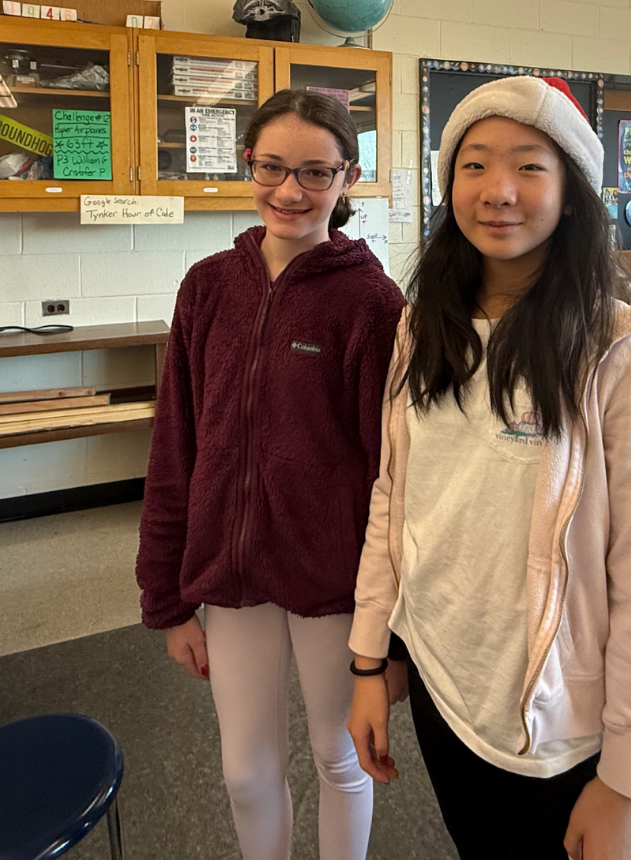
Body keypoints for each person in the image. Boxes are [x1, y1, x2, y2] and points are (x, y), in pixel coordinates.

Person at [346, 76, 631, 860]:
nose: (498, 191)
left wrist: (629, 777)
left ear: (571, 191)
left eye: (530, 166)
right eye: (474, 166)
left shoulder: (615, 351)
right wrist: (371, 658)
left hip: (555, 718)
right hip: (440, 679)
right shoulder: (420, 328)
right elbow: (394, 498)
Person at [136, 89, 405, 860]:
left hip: (332, 582)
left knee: (340, 756)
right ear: (248, 164)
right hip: (228, 572)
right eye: (273, 167)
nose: (290, 191)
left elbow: (394, 476)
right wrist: (167, 598)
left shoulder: (371, 304)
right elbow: (175, 447)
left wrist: (389, 634)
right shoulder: (208, 286)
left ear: (348, 178)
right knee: (244, 773)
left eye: (315, 173)